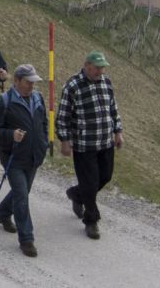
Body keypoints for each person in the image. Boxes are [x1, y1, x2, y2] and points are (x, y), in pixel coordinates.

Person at [57, 51, 123, 241]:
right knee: (90, 182)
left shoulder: (106, 82)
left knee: (105, 176)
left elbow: (113, 109)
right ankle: (91, 220)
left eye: (102, 68)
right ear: (86, 65)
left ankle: (77, 194)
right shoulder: (73, 86)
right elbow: (63, 117)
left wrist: (118, 131)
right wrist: (64, 141)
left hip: (105, 142)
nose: (100, 71)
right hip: (84, 145)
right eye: (97, 68)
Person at [0, 64, 49, 257]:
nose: (31, 86)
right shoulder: (4, 102)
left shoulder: (38, 98)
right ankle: (27, 239)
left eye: (33, 82)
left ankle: (3, 213)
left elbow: (43, 123)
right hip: (13, 157)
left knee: (21, 192)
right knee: (22, 196)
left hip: (34, 156)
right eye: (28, 82)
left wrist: (44, 143)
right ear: (16, 81)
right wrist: (11, 134)